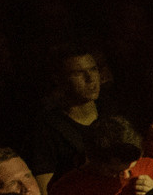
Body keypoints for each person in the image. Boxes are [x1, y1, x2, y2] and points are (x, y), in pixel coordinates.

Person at [45, 113, 153, 195]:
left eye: (131, 167)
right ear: (92, 160)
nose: (126, 177)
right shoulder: (67, 191)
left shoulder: (152, 169)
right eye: (114, 172)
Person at [28, 45, 107, 177]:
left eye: (93, 69)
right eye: (78, 73)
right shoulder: (47, 130)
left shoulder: (112, 111)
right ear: (59, 80)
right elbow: (45, 189)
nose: (90, 78)